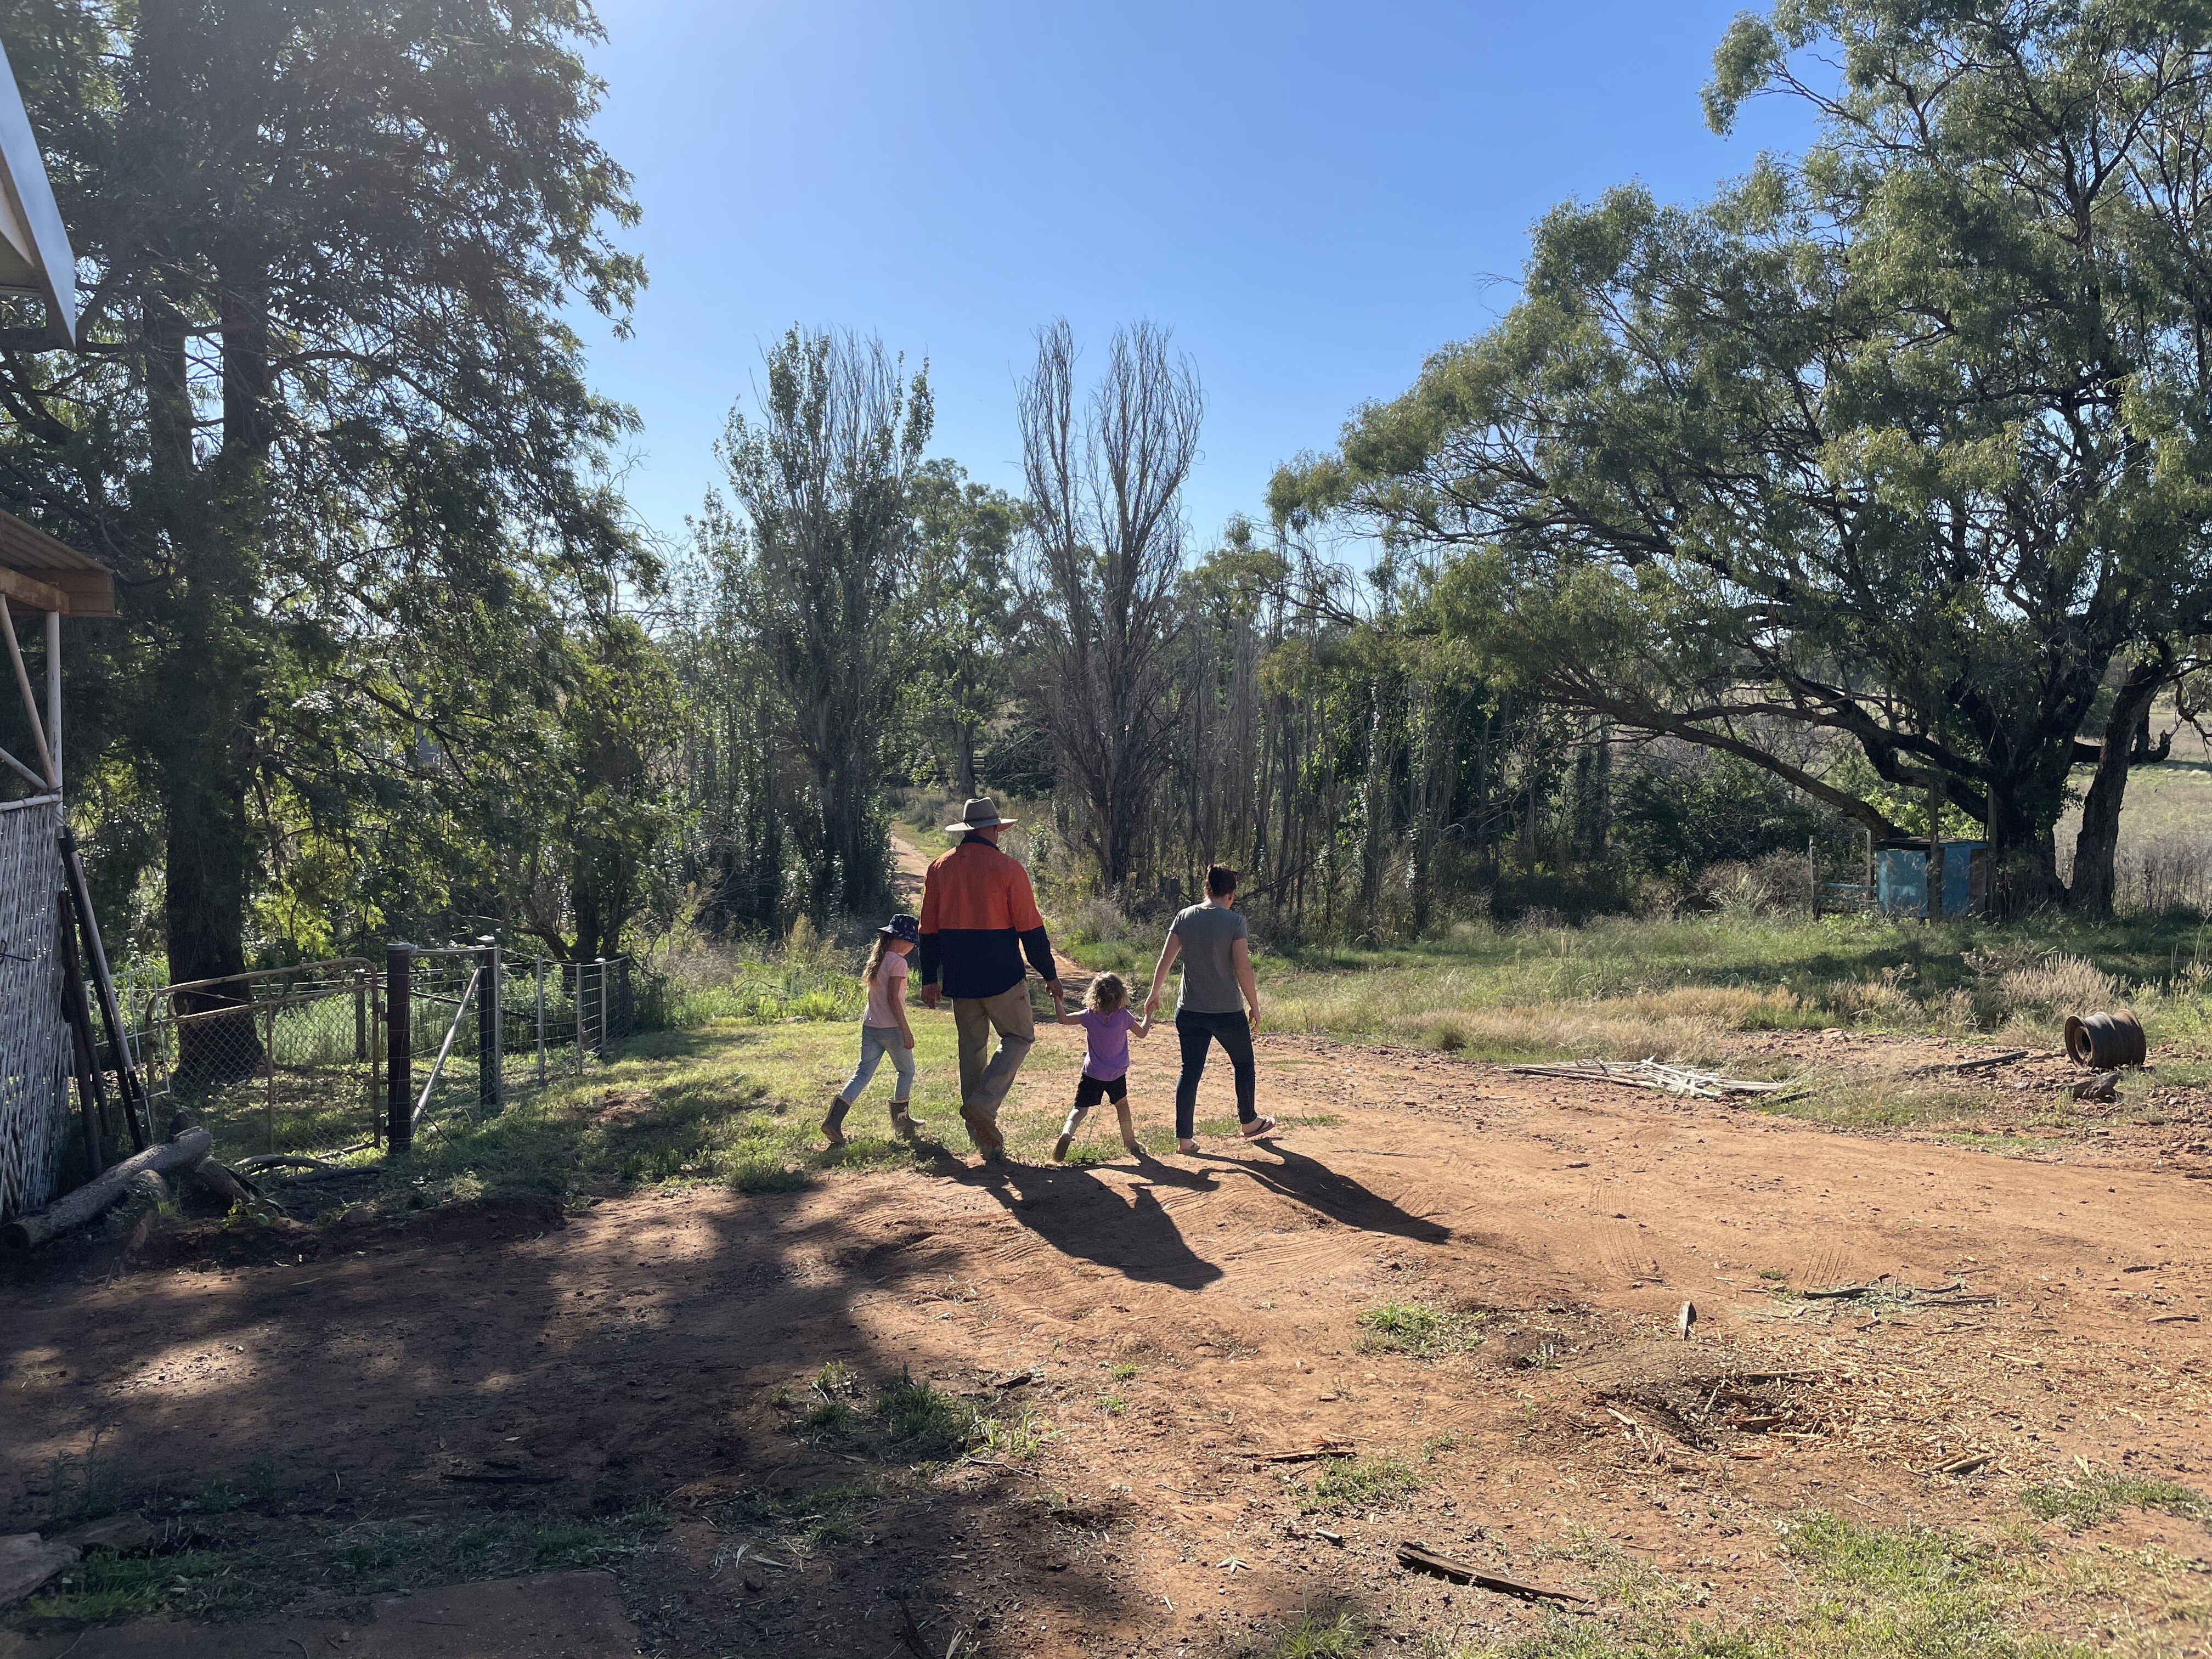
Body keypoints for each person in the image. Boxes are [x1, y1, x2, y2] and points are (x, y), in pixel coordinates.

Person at [917, 797, 1060, 1160]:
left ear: (967, 830)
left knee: (972, 1051)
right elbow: (1031, 931)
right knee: (1020, 1036)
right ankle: (983, 1105)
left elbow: (928, 931)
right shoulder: (1009, 869)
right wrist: (1050, 974)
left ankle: (984, 1142)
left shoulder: (939, 868)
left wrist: (929, 979)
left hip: (960, 979)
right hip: (1002, 977)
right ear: (995, 828)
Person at [1144, 864, 1274, 1154]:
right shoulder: (1235, 921)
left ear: (1207, 889)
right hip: (1227, 1011)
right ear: (1229, 894)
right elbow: (1242, 967)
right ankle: (1249, 1122)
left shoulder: (1184, 917)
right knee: (1243, 1064)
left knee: (1189, 1071)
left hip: (1189, 1011)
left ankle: (1185, 1140)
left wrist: (1154, 994)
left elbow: (1166, 959)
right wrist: (1254, 1006)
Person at [823, 913, 921, 1148]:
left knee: (862, 1074)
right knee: (906, 1071)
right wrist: (906, 1030)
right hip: (892, 1028)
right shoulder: (898, 962)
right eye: (912, 942)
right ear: (899, 940)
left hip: (870, 1027)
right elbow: (893, 1000)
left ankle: (833, 1121)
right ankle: (902, 1123)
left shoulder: (877, 960)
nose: (913, 946)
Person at [1048, 972, 1151, 1161]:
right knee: (1122, 1105)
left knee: (1080, 1109)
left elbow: (1062, 1019)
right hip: (1116, 1074)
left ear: (1094, 996)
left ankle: (1067, 1133)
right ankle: (1130, 1142)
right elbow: (1143, 1033)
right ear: (1121, 996)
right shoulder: (1124, 1017)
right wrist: (1149, 1013)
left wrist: (1057, 999)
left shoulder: (1089, 1016)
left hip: (1093, 1073)